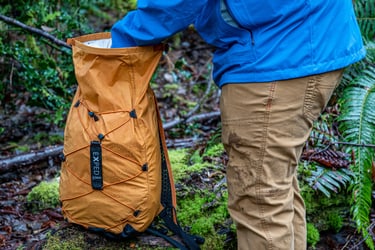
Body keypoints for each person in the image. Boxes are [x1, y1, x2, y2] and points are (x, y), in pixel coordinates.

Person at [110, 1, 366, 249]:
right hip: (301, 35)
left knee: (260, 198)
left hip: (280, 48)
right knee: (272, 187)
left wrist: (121, 42)